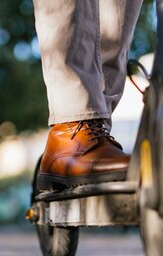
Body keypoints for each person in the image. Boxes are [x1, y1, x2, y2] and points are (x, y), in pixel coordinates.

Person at [33, 0, 143, 191]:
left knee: (119, 12)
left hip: (101, 127)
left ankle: (96, 129)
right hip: (72, 121)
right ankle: (71, 132)